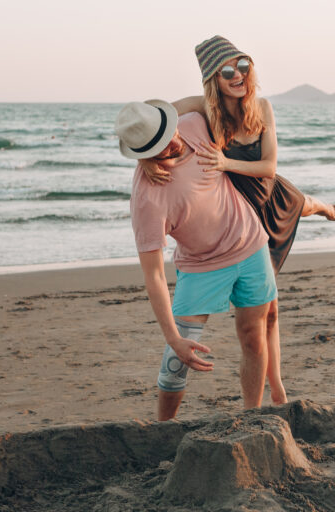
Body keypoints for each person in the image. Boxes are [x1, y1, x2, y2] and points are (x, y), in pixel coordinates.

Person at [141, 35, 335, 406]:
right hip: (241, 205)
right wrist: (148, 158)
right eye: (228, 71)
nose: (239, 75)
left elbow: (269, 167)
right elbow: (154, 122)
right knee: (269, 310)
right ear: (214, 80)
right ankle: (276, 388)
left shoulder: (262, 106)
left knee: (301, 204)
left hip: (267, 192)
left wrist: (224, 163)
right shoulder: (202, 107)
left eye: (244, 66)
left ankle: (326, 207)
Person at [115, 99, 277, 420]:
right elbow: (155, 276)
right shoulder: (148, 195)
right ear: (145, 155)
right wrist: (173, 338)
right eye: (160, 144)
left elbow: (210, 99)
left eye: (168, 130)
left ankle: (252, 417)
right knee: (177, 358)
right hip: (201, 267)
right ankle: (164, 428)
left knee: (253, 336)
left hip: (250, 245)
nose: (174, 140)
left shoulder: (192, 125)